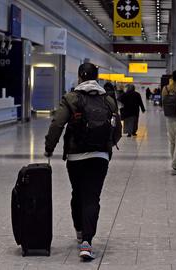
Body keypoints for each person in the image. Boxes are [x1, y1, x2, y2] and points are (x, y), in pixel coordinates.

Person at [44, 63, 121, 261]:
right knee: (92, 197)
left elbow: (57, 124)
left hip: (75, 156)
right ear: (97, 78)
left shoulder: (71, 98)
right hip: (100, 157)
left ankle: (80, 232)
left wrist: (49, 147)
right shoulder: (109, 101)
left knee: (77, 194)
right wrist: (108, 144)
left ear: (79, 77)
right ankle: (87, 241)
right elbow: (117, 130)